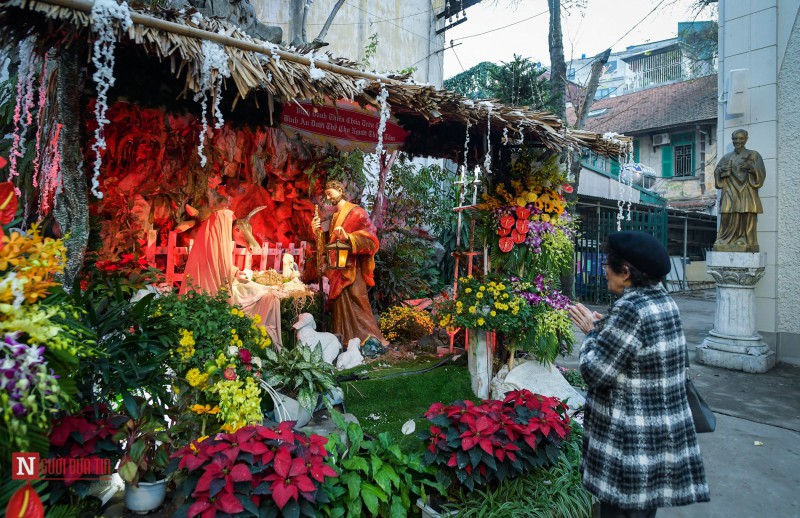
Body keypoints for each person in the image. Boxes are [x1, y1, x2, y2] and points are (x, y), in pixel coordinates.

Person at [568, 231, 709, 518]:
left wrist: (592, 333)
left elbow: (596, 372)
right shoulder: (663, 300)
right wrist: (606, 327)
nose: (604, 269)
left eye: (609, 263)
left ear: (626, 272)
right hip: (656, 441)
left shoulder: (631, 309)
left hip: (630, 446)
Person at [180, 188, 282, 348]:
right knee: (263, 297)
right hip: (218, 289)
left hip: (229, 282)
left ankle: (263, 337)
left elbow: (222, 264)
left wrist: (235, 272)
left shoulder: (223, 238)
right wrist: (233, 274)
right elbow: (216, 266)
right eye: (237, 231)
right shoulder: (217, 229)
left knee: (268, 295)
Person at [311, 180, 388, 347]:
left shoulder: (357, 212)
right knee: (340, 307)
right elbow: (330, 244)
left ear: (340, 190)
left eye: (330, 193)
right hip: (338, 269)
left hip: (352, 270)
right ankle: (344, 341)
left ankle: (370, 340)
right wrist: (316, 231)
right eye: (326, 195)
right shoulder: (335, 218)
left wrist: (349, 238)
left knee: (358, 304)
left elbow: (371, 240)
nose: (328, 196)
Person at [713, 129, 766, 252]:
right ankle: (725, 239)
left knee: (745, 213)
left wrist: (752, 168)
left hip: (746, 189)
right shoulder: (726, 157)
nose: (738, 141)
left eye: (741, 138)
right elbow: (717, 172)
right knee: (726, 213)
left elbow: (761, 173)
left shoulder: (754, 155)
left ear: (746, 139)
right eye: (735, 139)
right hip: (730, 189)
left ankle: (744, 239)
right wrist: (721, 170)